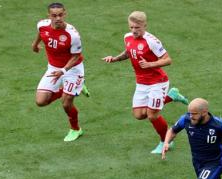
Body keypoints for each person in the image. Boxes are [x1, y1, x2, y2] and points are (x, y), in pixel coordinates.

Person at [102, 11, 189, 154]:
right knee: (139, 115)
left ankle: (166, 141)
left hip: (157, 82)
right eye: (131, 27)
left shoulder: (152, 41)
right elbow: (129, 52)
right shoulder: (127, 37)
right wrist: (116, 58)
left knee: (152, 115)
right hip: (142, 83)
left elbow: (168, 59)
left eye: (137, 27)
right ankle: (172, 96)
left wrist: (150, 64)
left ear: (144, 25)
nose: (134, 31)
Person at [32, 2, 89, 142]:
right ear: (49, 16)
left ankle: (76, 129)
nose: (58, 18)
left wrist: (63, 71)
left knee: (66, 103)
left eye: (60, 15)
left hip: (73, 69)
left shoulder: (72, 34)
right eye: (54, 15)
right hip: (53, 68)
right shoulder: (42, 25)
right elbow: (41, 34)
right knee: (40, 101)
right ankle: (76, 88)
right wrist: (34, 44)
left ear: (65, 14)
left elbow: (76, 56)